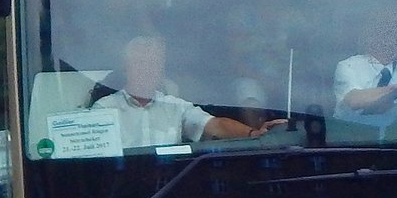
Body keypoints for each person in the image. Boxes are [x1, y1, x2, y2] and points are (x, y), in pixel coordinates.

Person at [92, 36, 286, 148]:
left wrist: (253, 134)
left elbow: (216, 126)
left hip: (167, 189)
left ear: (161, 71)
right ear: (126, 68)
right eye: (140, 64)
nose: (147, 70)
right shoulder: (104, 108)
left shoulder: (176, 106)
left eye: (154, 64)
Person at [333, 9, 397, 124]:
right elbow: (353, 100)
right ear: (372, 36)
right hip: (353, 136)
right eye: (391, 32)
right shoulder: (348, 66)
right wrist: (396, 89)